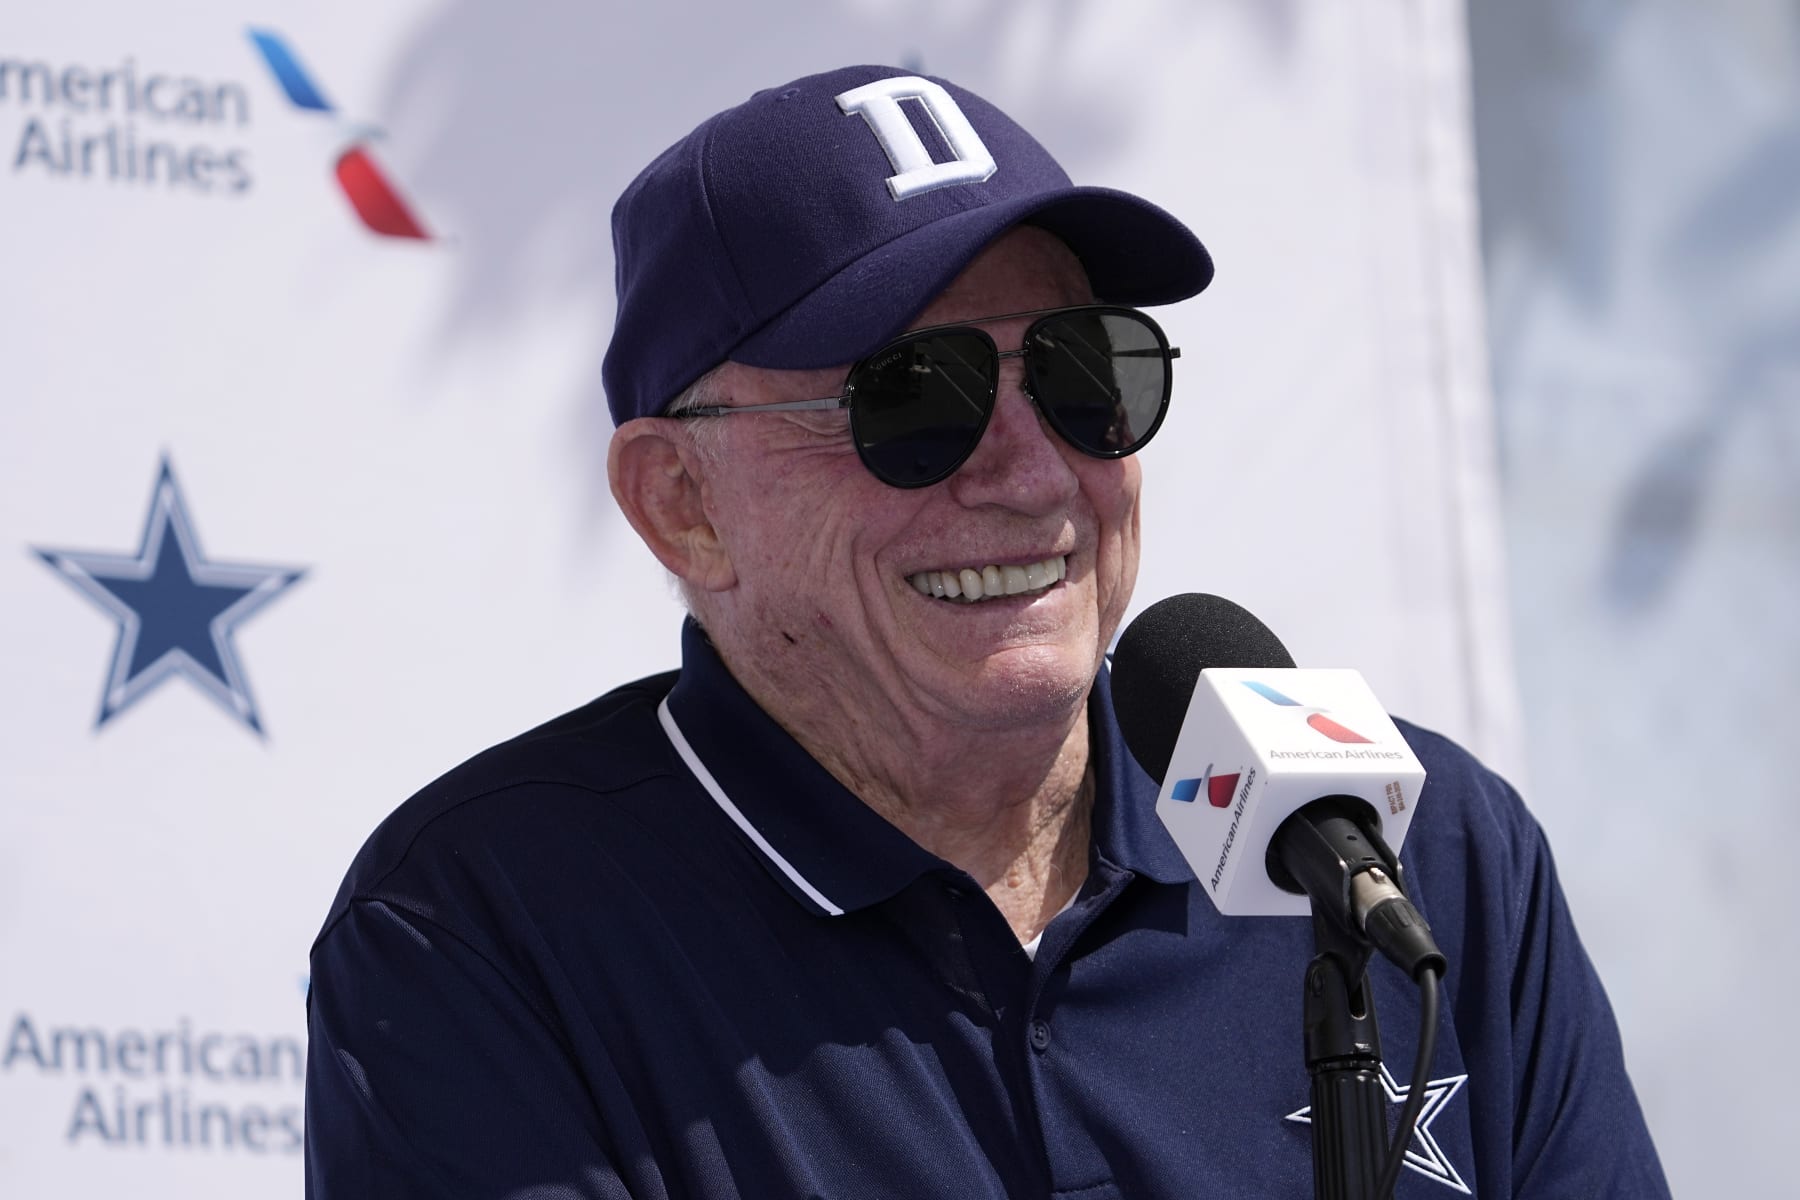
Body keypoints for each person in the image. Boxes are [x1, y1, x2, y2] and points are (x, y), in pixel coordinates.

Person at [304, 65, 1669, 1198]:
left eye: (1088, 375)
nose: (1031, 472)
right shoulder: (483, 929)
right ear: (684, 506)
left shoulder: (1415, 856)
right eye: (915, 398)